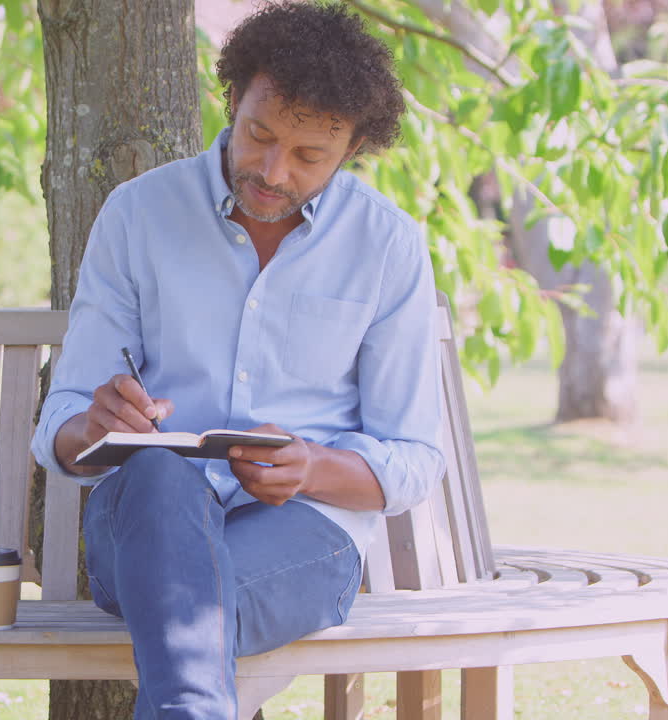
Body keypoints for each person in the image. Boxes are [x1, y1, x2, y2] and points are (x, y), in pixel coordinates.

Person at [30, 2, 446, 717]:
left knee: (184, 605)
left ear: (351, 152)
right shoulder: (138, 215)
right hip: (141, 521)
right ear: (232, 98)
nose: (273, 170)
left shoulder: (387, 247)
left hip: (308, 536)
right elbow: (60, 429)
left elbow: (413, 457)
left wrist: (312, 465)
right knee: (159, 470)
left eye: (309, 156)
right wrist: (97, 424)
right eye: (259, 134)